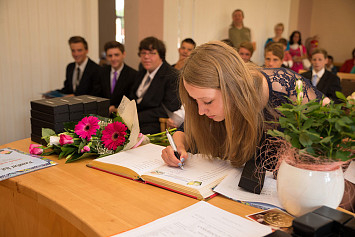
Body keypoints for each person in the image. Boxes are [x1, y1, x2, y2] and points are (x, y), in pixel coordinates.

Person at [161, 41, 323, 168]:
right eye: (195, 101)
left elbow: (333, 124)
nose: (201, 111)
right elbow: (186, 130)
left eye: (208, 101)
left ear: (232, 88)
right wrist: (179, 147)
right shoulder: (204, 104)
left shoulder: (284, 86)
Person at [129, 36, 181, 134]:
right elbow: (133, 97)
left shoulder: (171, 75)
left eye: (152, 53)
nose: (146, 57)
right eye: (143, 53)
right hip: (135, 120)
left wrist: (136, 117)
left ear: (161, 55)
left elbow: (168, 108)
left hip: (154, 124)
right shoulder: (142, 71)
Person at [96, 41, 137, 114]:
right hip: (103, 114)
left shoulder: (133, 74)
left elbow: (131, 99)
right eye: (110, 56)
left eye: (116, 55)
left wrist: (115, 107)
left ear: (123, 54)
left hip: (122, 116)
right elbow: (97, 94)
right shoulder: (101, 72)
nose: (113, 58)